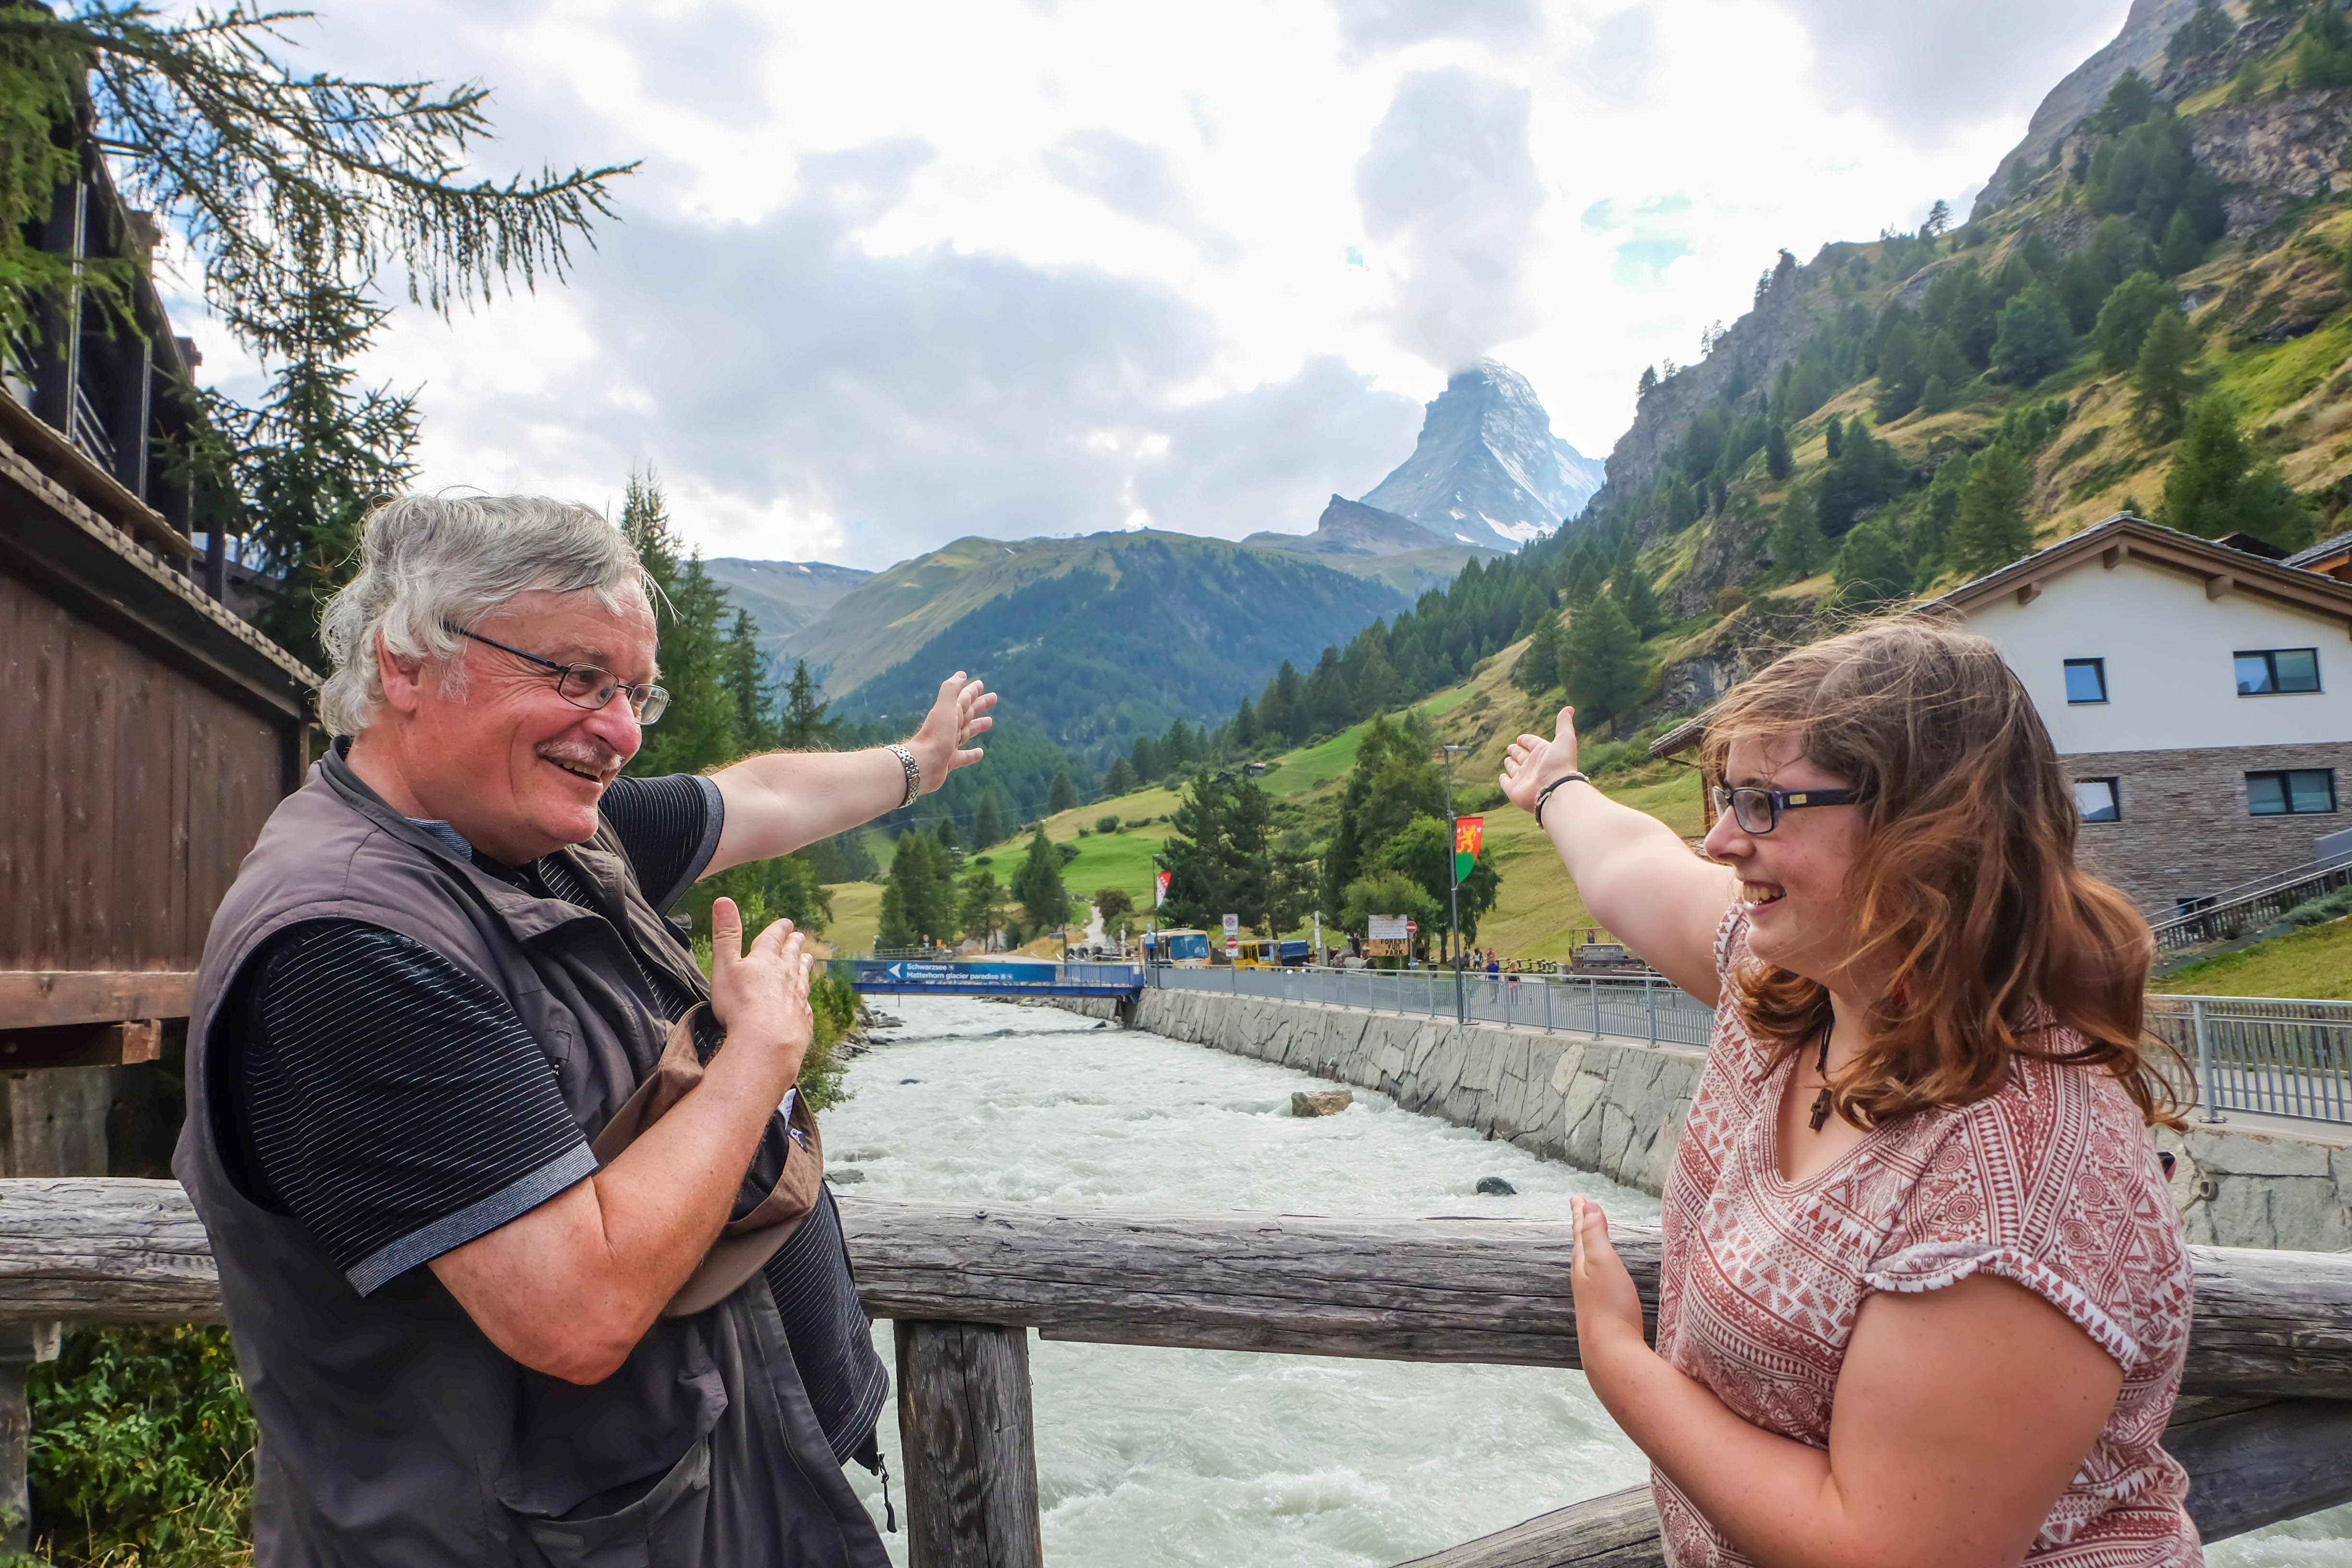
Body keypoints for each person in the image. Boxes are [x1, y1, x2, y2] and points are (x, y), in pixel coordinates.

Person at [178, 495, 995, 1567]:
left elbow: (756, 799)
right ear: (409, 664)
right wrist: (760, 1056)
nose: (615, 730)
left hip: (701, 1502)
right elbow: (577, 1306)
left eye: (632, 693)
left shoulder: (533, 829)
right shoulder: (347, 946)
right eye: (572, 677)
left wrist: (917, 764)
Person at [1498, 616, 2196, 1568]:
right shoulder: (1796, 986)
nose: (1718, 840)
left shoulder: (2016, 1185)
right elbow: (1630, 868)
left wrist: (1620, 1362)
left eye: (1762, 804)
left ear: (1920, 826)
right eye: (1723, 796)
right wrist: (1558, 789)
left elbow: (1881, 1553)